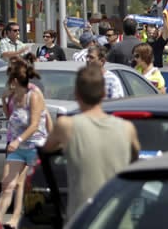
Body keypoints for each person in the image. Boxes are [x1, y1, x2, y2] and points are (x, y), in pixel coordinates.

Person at [42, 65, 140, 220]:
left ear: (76, 94)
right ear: (103, 93)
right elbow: (135, 159)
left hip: (83, 218)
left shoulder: (66, 126)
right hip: (119, 219)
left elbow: (46, 149)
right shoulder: (127, 129)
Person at [0, 57, 49, 228]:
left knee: (22, 184)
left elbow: (34, 125)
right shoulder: (13, 96)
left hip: (34, 145)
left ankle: (16, 218)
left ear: (15, 81)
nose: (8, 83)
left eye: (9, 79)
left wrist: (17, 141)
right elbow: (10, 118)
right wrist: (4, 101)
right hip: (17, 146)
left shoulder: (33, 95)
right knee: (7, 183)